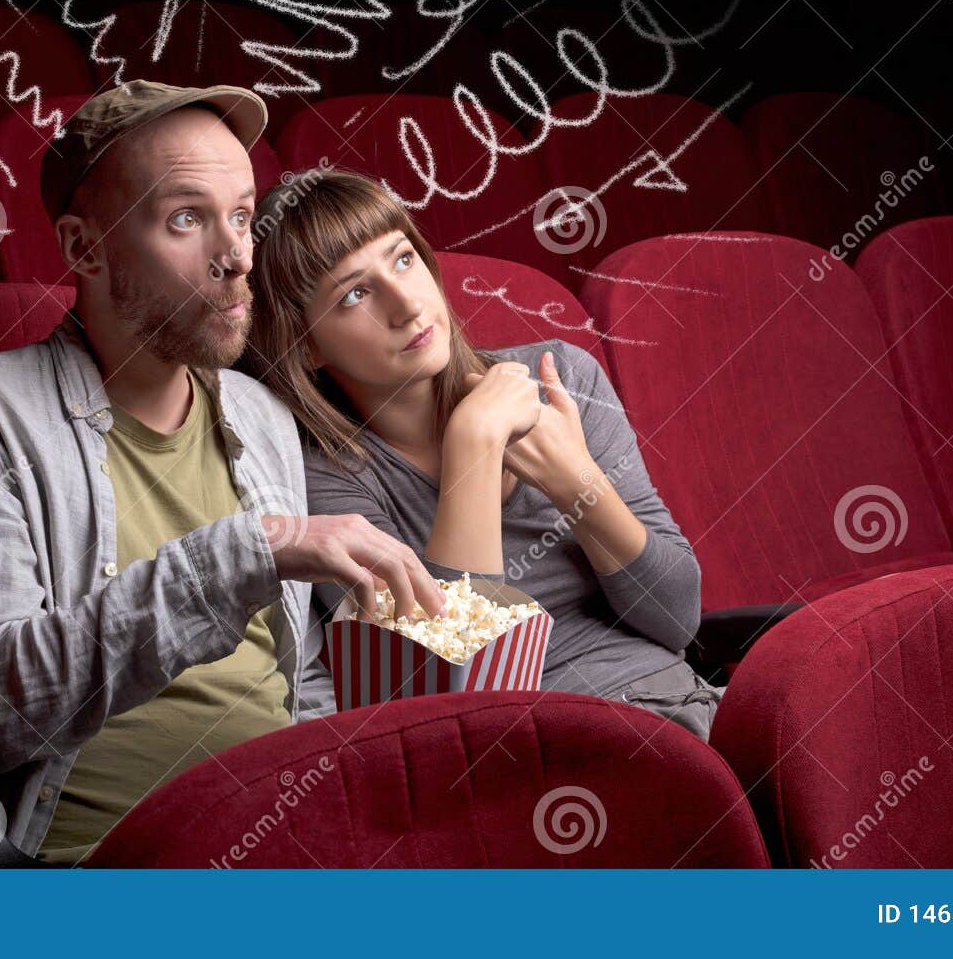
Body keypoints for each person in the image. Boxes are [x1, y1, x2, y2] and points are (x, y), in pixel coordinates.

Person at [0, 84, 444, 865]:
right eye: (186, 219)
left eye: (243, 215)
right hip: (106, 857)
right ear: (85, 248)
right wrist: (242, 554)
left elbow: (300, 677)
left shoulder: (262, 415)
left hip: (288, 841)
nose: (237, 256)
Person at [243, 169, 723, 741]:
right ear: (306, 345)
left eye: (402, 260)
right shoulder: (324, 480)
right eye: (355, 294)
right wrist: (474, 442)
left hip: (675, 707)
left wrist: (575, 481)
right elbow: (450, 702)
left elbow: (675, 620)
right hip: (523, 756)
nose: (407, 305)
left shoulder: (559, 375)